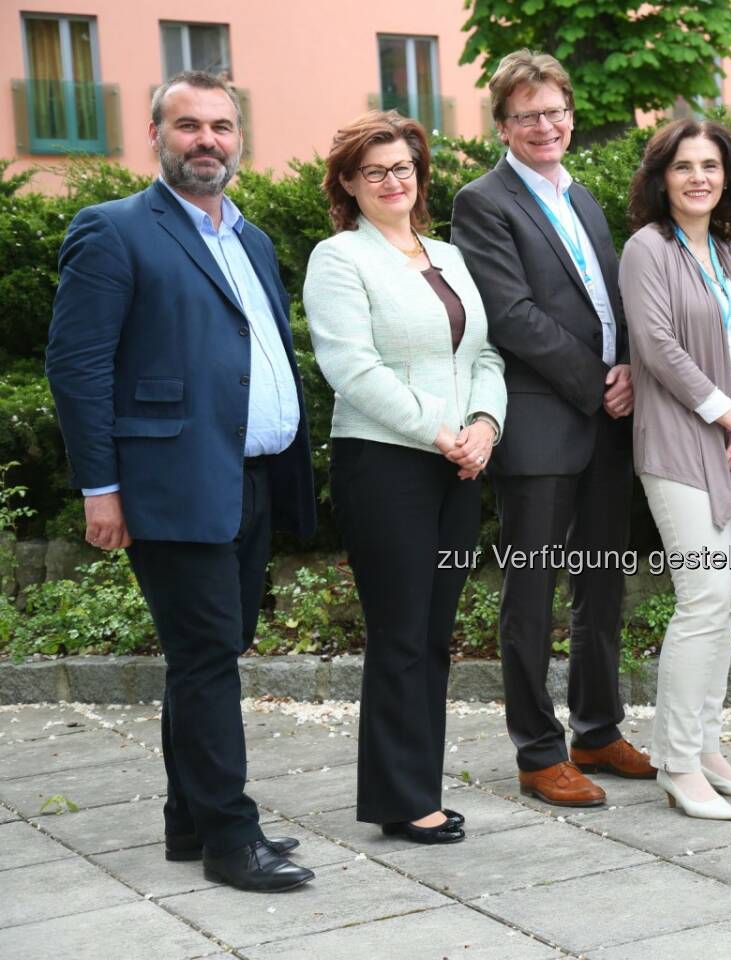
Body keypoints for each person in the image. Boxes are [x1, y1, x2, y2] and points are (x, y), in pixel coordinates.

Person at [45, 71, 314, 891]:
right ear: (155, 134)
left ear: (240, 139)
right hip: (171, 480)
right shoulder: (114, 229)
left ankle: (186, 822)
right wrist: (100, 486)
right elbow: (77, 365)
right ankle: (233, 840)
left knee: (211, 652)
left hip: (253, 477)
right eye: (188, 125)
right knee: (206, 659)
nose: (207, 140)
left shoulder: (253, 238)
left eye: (222, 126)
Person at [450, 50, 654, 806]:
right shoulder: (484, 202)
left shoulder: (584, 198)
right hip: (541, 426)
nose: (546, 125)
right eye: (528, 114)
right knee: (531, 593)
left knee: (602, 585)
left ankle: (597, 730)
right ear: (504, 126)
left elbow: (616, 302)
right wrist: (598, 382)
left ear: (571, 114)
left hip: (606, 424)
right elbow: (512, 316)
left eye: (556, 111)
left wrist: (630, 367)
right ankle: (539, 752)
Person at [304, 111, 507, 844]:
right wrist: (441, 430)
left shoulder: (447, 256)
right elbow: (351, 370)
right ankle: (400, 797)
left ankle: (416, 787)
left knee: (434, 632)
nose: (393, 180)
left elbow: (484, 357)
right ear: (349, 184)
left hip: (458, 467)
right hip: (385, 464)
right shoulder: (340, 259)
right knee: (399, 632)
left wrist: (484, 425)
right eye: (375, 171)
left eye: (404, 167)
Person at [619, 119, 731, 820]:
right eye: (684, 166)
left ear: (727, 177)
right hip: (680, 445)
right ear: (662, 177)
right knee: (703, 599)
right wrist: (728, 416)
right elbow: (655, 345)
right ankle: (677, 762)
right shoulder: (646, 249)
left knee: (727, 600)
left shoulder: (730, 255)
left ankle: (707, 747)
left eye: (710, 165)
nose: (698, 177)